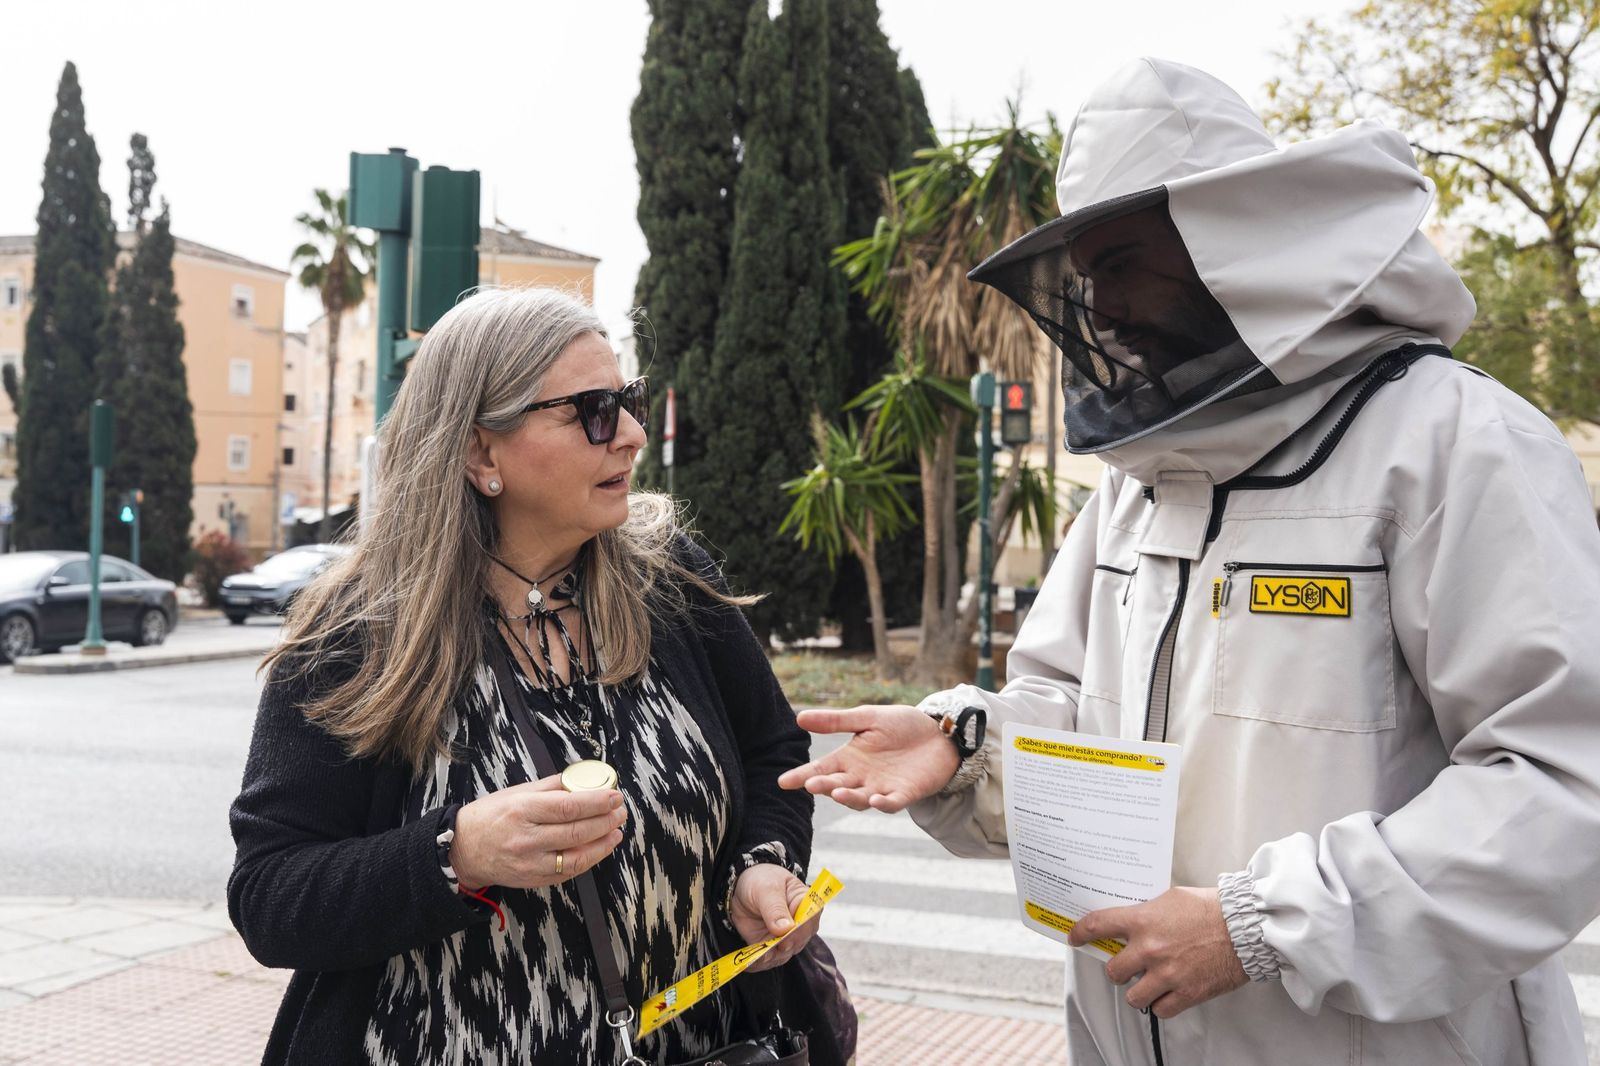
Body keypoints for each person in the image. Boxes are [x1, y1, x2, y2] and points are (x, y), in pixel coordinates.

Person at [781, 57, 1600, 1065]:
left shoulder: (1457, 443)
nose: (1102, 307)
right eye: (1085, 278)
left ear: (1233, 246)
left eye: (1121, 263)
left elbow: (1557, 783)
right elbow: (1082, 721)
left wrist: (1258, 925)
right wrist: (970, 743)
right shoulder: (1138, 482)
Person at [230, 287, 839, 1065]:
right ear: (482, 453)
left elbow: (771, 756)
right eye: (589, 410)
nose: (628, 435)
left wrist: (762, 868)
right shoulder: (356, 633)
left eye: (628, 400)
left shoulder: (672, 580)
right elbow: (271, 897)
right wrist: (454, 854)